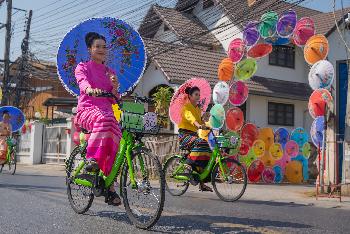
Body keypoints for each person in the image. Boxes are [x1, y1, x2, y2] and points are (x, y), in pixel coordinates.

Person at [74, 32, 122, 206]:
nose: (101, 49)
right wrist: (89, 90)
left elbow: (114, 99)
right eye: (97, 46)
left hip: (106, 113)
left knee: (118, 139)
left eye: (104, 46)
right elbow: (82, 82)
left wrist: (115, 87)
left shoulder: (110, 72)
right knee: (105, 119)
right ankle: (91, 159)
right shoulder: (82, 67)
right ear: (90, 49)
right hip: (87, 111)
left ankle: (109, 187)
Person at [178, 86, 213, 192]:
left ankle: (202, 184)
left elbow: (200, 122)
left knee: (207, 152)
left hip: (193, 136)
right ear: (190, 96)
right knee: (201, 143)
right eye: (196, 94)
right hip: (184, 136)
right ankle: (187, 164)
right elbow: (191, 119)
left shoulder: (198, 108)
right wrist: (198, 125)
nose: (198, 96)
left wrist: (205, 119)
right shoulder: (186, 107)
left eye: (199, 94)